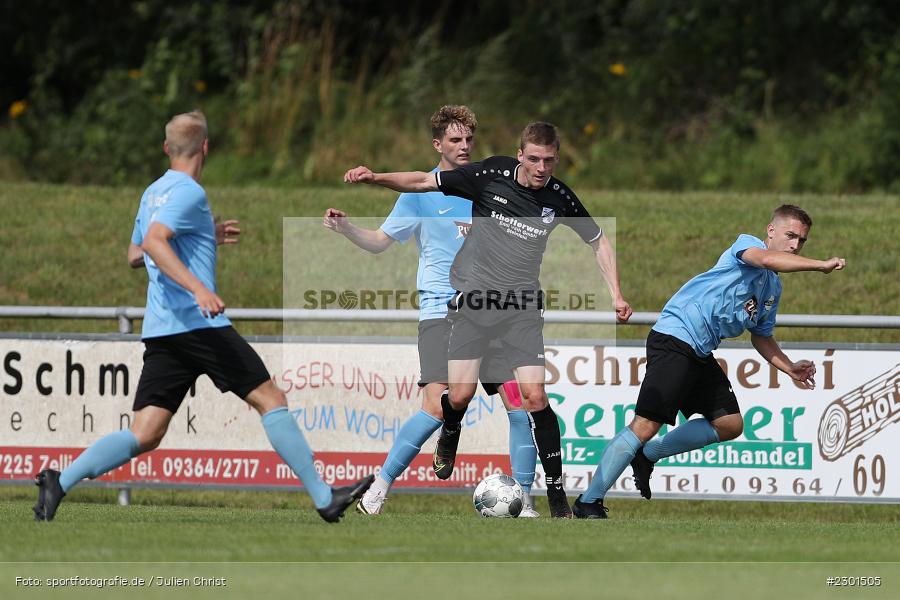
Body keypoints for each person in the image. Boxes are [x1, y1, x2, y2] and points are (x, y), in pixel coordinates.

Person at [33, 111, 372, 523]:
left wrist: (201, 237)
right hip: (199, 325)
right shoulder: (189, 192)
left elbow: (134, 254)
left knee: (145, 433)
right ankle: (324, 498)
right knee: (271, 399)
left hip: (164, 330)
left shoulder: (153, 191)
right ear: (206, 147)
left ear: (166, 148)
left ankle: (58, 481)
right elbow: (156, 243)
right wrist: (198, 287)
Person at [344, 122, 632, 517]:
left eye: (548, 160)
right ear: (519, 155)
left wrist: (616, 293)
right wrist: (376, 177)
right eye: (533, 159)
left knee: (531, 399)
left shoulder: (559, 196)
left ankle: (550, 501)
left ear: (557, 159)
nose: (541, 167)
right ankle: (436, 441)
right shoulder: (487, 175)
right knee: (454, 399)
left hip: (521, 310)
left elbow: (598, 240)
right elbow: (421, 183)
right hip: (471, 306)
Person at [323, 105, 539, 516]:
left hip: (488, 308)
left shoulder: (487, 187)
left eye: (468, 140)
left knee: (519, 401)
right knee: (438, 403)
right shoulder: (419, 195)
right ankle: (378, 490)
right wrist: (347, 228)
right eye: (454, 141)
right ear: (437, 144)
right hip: (441, 308)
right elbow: (380, 241)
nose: (463, 147)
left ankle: (524, 501)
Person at [572, 204, 846, 518]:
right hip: (675, 339)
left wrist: (788, 367)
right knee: (645, 425)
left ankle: (649, 454)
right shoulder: (748, 246)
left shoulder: (772, 288)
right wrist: (820, 266)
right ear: (771, 231)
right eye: (791, 236)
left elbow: (761, 335)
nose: (796, 245)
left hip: (699, 352)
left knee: (730, 425)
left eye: (802, 241)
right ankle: (588, 502)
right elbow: (769, 259)